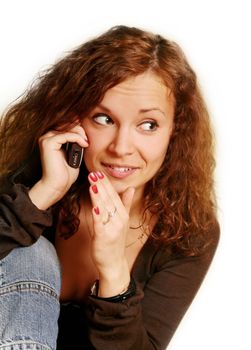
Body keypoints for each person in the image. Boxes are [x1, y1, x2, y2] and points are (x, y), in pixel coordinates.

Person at [0, 25, 219, 350]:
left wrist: (115, 272)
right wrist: (42, 196)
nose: (121, 147)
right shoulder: (33, 176)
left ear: (176, 131)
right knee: (33, 253)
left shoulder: (189, 232)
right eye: (104, 118)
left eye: (148, 125)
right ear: (74, 118)